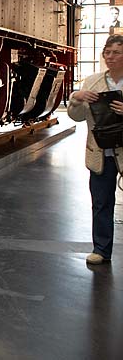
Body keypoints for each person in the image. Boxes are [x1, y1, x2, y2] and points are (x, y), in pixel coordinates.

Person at [67, 34, 123, 265]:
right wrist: (77, 98)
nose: (110, 57)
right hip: (101, 153)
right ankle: (101, 249)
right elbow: (76, 117)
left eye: (116, 52)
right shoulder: (92, 82)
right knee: (101, 202)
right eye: (107, 52)